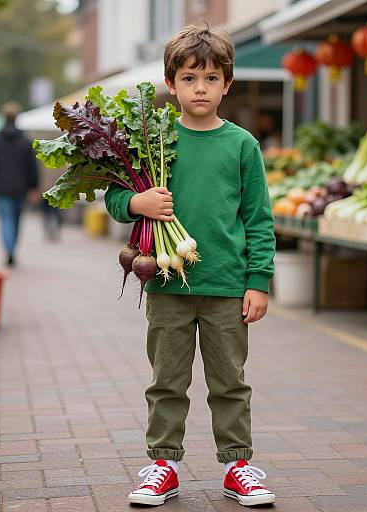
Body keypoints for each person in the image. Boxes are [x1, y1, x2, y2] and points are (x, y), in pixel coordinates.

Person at [105, 25, 276, 507]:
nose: (199, 88)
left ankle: (238, 467)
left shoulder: (242, 144)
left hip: (226, 284)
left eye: (210, 78)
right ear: (171, 83)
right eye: (188, 78)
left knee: (230, 382)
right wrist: (136, 201)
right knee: (166, 382)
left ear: (227, 85)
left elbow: (258, 218)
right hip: (164, 281)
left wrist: (258, 281)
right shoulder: (153, 139)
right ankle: (164, 465)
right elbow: (116, 199)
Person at [0, 102, 39, 267]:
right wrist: (34, 186)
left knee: (6, 219)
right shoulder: (26, 141)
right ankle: (12, 249)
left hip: (0, 187)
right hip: (21, 187)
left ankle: (9, 251)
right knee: (16, 220)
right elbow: (32, 166)